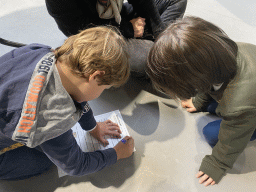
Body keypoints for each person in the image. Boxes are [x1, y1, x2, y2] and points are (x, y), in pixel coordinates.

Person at [0, 26, 134, 180]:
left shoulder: (41, 51)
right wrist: (116, 153)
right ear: (95, 76)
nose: (102, 91)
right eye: (105, 88)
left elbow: (78, 97)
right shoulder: (51, 116)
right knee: (46, 160)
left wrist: (93, 126)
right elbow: (75, 165)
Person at [146, 16, 256, 186]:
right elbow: (210, 83)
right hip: (245, 93)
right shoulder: (220, 54)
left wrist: (218, 164)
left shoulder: (239, 104)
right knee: (220, 109)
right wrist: (199, 102)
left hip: (248, 105)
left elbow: (234, 139)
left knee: (210, 134)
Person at [45, 0, 187, 77]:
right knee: (150, 54)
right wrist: (129, 29)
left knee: (175, 1)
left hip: (118, 14)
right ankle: (153, 49)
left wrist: (160, 34)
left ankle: (155, 44)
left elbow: (144, 2)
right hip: (94, 38)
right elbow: (79, 30)